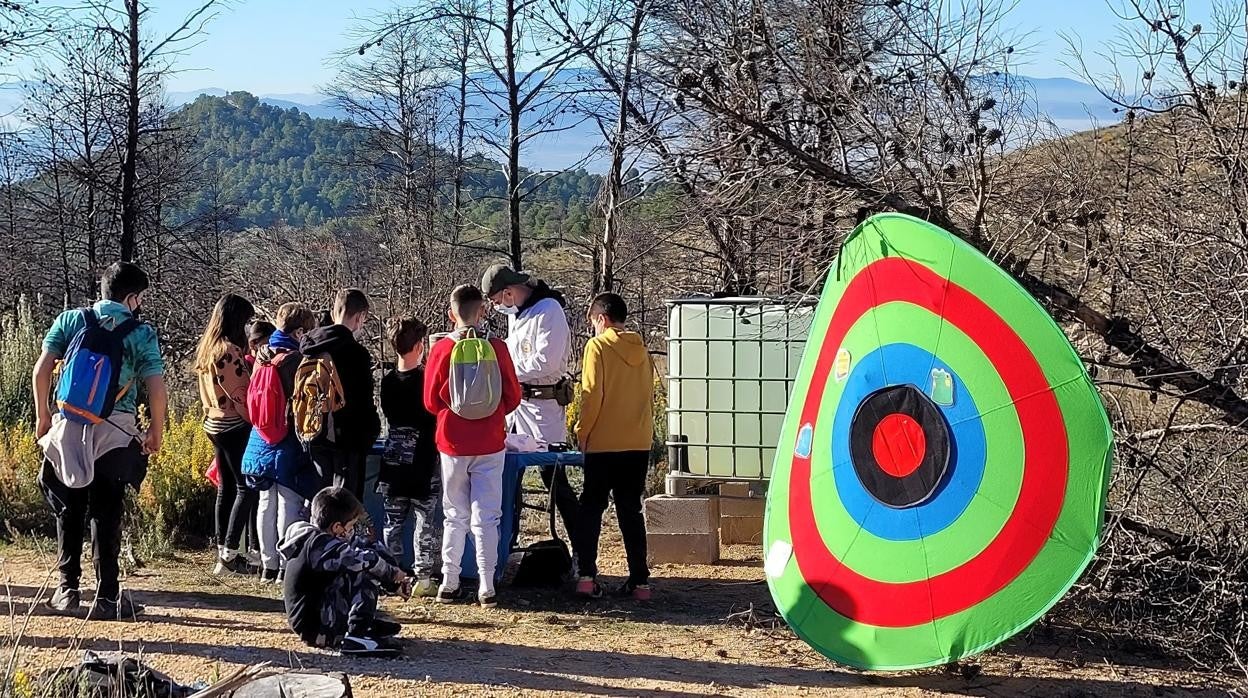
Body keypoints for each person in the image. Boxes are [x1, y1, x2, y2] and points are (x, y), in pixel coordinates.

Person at [32, 261, 167, 620]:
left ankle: (67, 590)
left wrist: (43, 417)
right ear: (132, 297)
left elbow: (41, 369)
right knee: (107, 510)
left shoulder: (71, 320)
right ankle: (107, 596)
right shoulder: (142, 333)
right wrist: (156, 430)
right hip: (116, 428)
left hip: (70, 425)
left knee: (69, 506)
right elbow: (156, 386)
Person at [423, 285, 521, 608]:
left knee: (454, 514)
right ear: (482, 312)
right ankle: (487, 585)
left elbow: (430, 401)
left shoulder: (441, 350)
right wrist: (490, 414)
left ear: (451, 314)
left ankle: (449, 582)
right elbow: (513, 397)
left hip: (451, 442)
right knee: (487, 516)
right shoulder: (497, 347)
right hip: (491, 442)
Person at [481, 264, 578, 543]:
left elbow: (544, 361)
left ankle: (583, 557)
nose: (500, 306)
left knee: (554, 480)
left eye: (499, 300)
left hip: (542, 406)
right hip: (516, 405)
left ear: (510, 292)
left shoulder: (550, 311)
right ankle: (505, 544)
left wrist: (505, 369)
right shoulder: (517, 315)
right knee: (509, 478)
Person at [572, 293, 655, 601]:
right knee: (631, 510)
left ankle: (586, 576)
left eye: (593, 321)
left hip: (604, 442)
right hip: (638, 441)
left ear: (602, 319)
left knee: (592, 507)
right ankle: (640, 582)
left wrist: (583, 431)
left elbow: (592, 395)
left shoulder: (597, 346)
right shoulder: (642, 349)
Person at [280, 487, 409, 658]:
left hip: (319, 618)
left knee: (365, 553)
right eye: (351, 525)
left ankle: (361, 626)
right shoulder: (318, 543)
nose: (352, 530)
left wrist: (395, 585)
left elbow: (366, 546)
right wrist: (394, 574)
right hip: (316, 628)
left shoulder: (321, 539)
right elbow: (365, 560)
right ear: (337, 527)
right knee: (362, 568)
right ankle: (356, 636)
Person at [242, 303, 319, 582]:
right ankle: (287, 565)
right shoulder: (295, 359)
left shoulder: (262, 353)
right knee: (289, 500)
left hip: (259, 436)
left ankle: (268, 565)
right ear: (299, 331)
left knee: (266, 501)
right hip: (286, 438)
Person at [195, 293, 259, 575]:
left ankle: (222, 549)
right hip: (233, 425)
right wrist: (257, 422)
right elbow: (241, 396)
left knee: (226, 488)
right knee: (246, 488)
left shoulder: (208, 349)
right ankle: (231, 553)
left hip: (213, 423)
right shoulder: (228, 352)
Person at [378, 316, 441, 597]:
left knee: (393, 521)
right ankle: (423, 577)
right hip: (424, 459)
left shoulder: (387, 381)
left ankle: (390, 573)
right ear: (419, 345)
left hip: (393, 458)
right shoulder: (427, 378)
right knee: (425, 520)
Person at [300, 289, 381, 499]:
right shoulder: (356, 353)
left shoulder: (310, 348)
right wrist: (371, 432)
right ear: (360, 317)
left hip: (314, 432)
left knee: (320, 500)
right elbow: (363, 402)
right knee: (345, 505)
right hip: (347, 438)